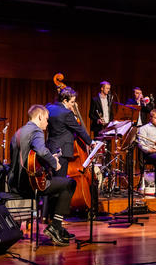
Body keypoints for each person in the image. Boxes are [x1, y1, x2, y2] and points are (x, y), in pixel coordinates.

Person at [8, 104, 76, 246]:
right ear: (39, 117)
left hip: (16, 184)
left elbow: (27, 158)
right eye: (46, 119)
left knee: (57, 183)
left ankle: (58, 227)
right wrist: (54, 163)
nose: (47, 123)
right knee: (69, 184)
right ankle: (56, 226)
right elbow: (42, 151)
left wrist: (47, 161)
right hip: (30, 185)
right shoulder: (36, 131)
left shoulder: (18, 132)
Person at [47, 87, 93, 175]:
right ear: (64, 101)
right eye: (72, 102)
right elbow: (79, 129)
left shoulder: (49, 108)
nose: (73, 105)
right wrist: (91, 142)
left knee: (53, 178)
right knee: (61, 180)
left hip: (51, 148)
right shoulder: (67, 113)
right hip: (63, 151)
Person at [137, 109, 156, 195]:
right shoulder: (144, 128)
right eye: (155, 118)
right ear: (150, 118)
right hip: (150, 154)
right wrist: (151, 150)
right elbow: (141, 144)